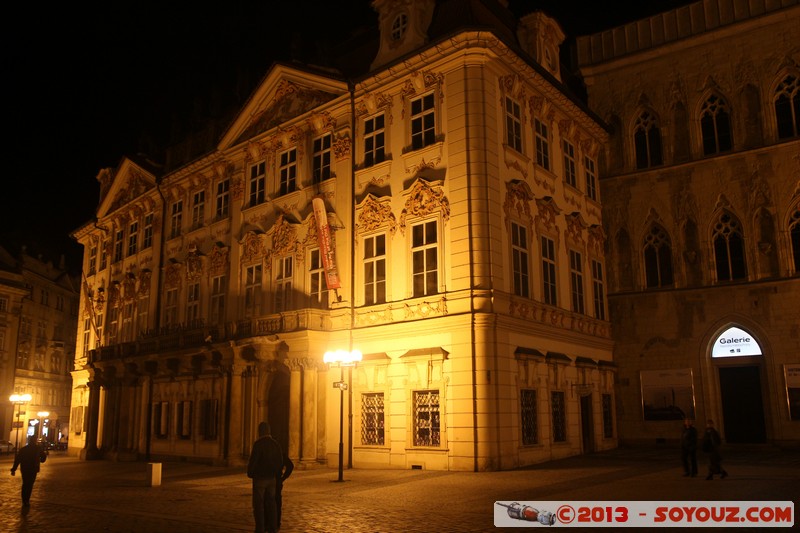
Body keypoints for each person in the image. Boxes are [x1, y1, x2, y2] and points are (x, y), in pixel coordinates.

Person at [247, 422, 284, 533]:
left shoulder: (258, 444)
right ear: (269, 431)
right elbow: (280, 461)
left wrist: (250, 473)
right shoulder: (275, 444)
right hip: (272, 478)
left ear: (260, 431)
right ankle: (273, 528)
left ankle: (260, 529)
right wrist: (276, 473)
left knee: (259, 506)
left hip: (260, 479)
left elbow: (253, 461)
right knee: (271, 504)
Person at [10, 436, 48, 506]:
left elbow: (18, 459)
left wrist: (13, 469)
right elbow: (43, 457)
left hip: (24, 468)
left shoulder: (23, 449)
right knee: (30, 484)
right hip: (33, 469)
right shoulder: (38, 449)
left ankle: (24, 499)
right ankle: (26, 500)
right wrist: (40, 460)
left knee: (25, 484)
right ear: (35, 441)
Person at [276, 447, 294, 532]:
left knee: (265, 502)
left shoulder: (260, 447)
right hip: (277, 481)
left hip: (266, 479)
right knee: (277, 502)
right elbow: (290, 465)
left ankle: (267, 522)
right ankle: (276, 523)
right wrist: (283, 478)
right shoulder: (279, 450)